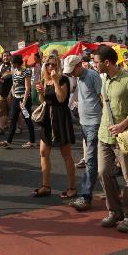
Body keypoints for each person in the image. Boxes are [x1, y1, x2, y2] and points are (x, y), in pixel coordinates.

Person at [95, 44, 128, 233]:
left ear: (107, 62)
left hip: (125, 136)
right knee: (103, 172)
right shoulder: (103, 80)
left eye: (97, 62)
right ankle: (115, 211)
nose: (94, 64)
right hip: (104, 135)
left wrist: (122, 124)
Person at [32, 54, 76, 199]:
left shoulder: (63, 79)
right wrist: (40, 93)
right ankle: (46, 186)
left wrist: (56, 81)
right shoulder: (45, 80)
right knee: (43, 152)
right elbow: (43, 101)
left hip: (60, 117)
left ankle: (72, 187)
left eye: (53, 64)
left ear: (58, 65)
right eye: (48, 65)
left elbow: (61, 98)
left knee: (66, 154)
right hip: (47, 119)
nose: (50, 67)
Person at [63, 54, 102, 211]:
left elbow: (102, 98)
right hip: (84, 123)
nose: (71, 73)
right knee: (98, 159)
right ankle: (112, 188)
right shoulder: (78, 77)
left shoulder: (92, 75)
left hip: (95, 122)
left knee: (91, 160)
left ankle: (86, 196)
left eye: (72, 70)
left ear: (79, 65)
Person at [0, 54, 36, 149]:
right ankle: (8, 141)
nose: (11, 64)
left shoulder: (26, 71)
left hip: (25, 99)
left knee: (27, 119)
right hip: (16, 98)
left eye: (13, 63)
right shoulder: (15, 71)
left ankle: (32, 141)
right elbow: (14, 84)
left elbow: (28, 87)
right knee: (13, 119)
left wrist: (24, 101)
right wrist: (11, 94)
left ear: (17, 63)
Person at [0, 51, 14, 135]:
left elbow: (14, 81)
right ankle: (2, 127)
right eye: (4, 56)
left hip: (10, 93)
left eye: (7, 56)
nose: (6, 57)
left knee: (14, 111)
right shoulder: (2, 66)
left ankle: (19, 127)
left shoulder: (13, 66)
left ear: (10, 57)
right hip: (1, 92)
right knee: (2, 111)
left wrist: (11, 92)